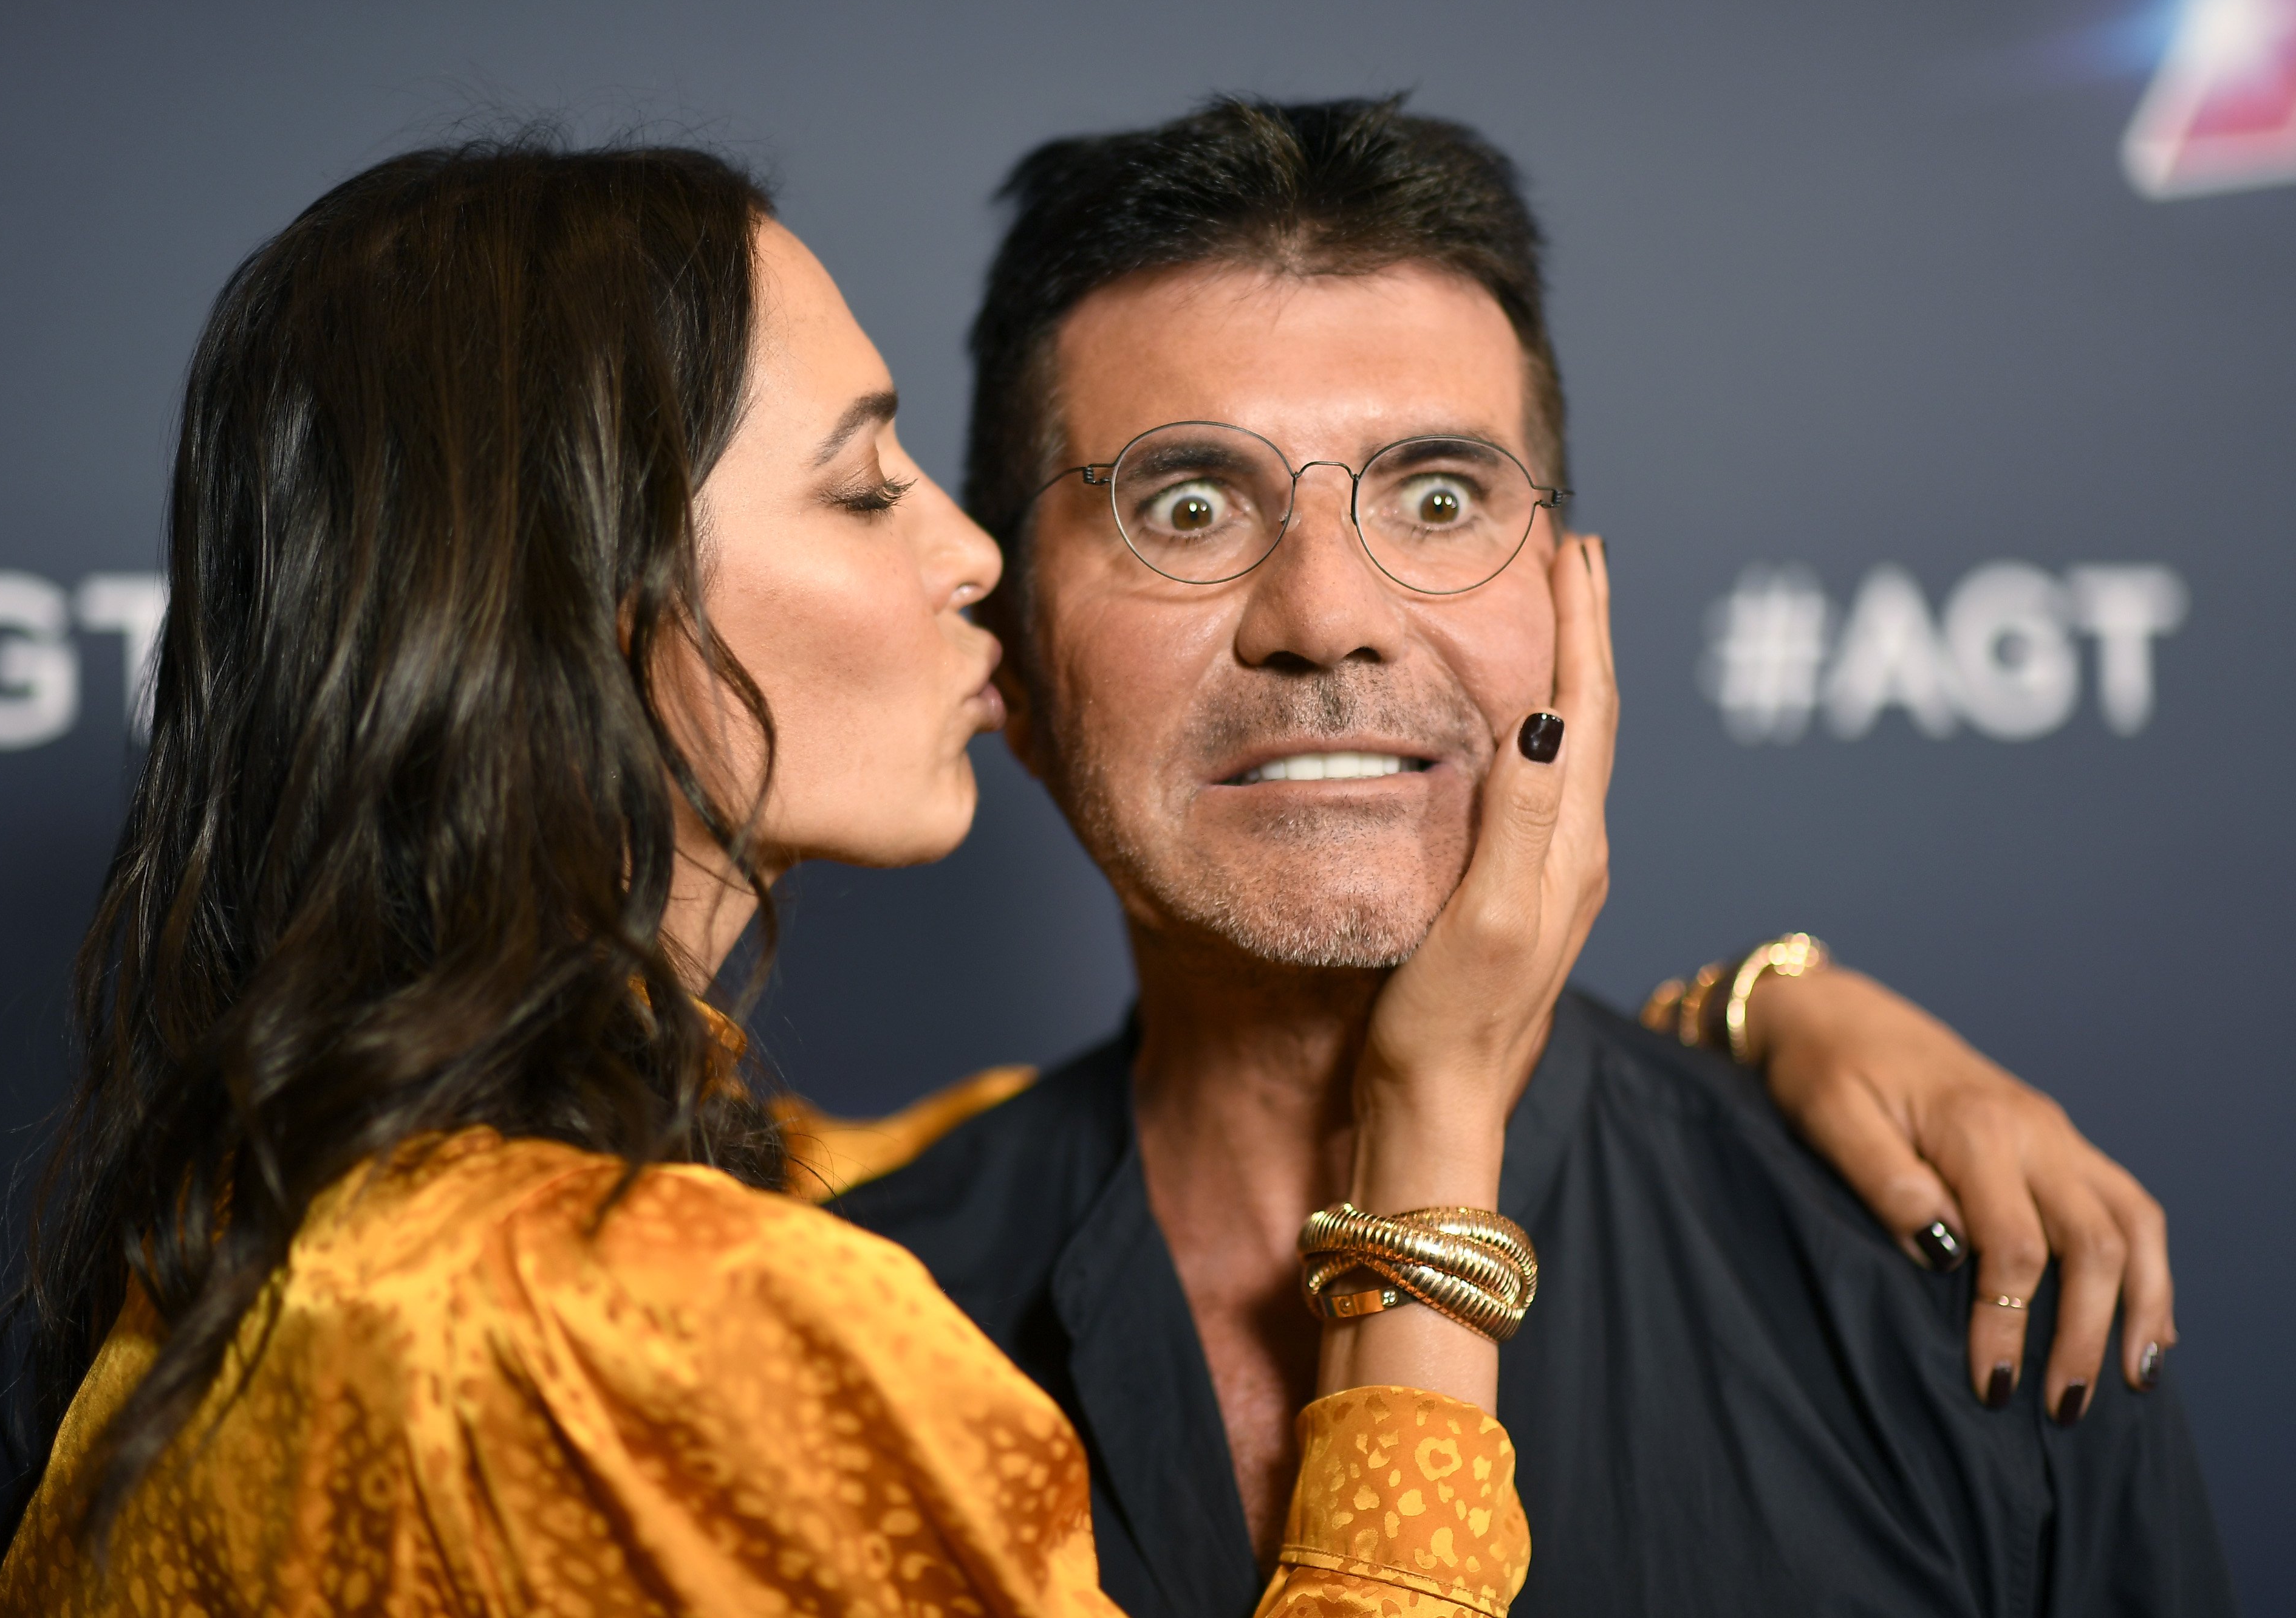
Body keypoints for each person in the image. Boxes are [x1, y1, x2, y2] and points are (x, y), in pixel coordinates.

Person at [0, 135, 1617, 1616]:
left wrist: (1745, 1013)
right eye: (860, 490)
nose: (970, 559)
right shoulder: (639, 1331)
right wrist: (1428, 1165)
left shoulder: (313, 1234)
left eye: (1444, 495)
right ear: (588, 605)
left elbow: (916, 1159)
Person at [831, 97, 2235, 1617]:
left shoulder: (1957, 1293)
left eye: (1439, 500)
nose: (1325, 616)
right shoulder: (817, 1334)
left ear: (1575, 613)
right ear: (1013, 666)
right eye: (1185, 505)